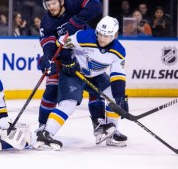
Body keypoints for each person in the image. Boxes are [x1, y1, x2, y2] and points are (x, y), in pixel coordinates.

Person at [36, 16, 129, 150]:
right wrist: (68, 61)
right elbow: (61, 43)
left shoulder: (119, 51)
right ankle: (46, 134)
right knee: (69, 103)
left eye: (106, 36)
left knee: (114, 95)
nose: (102, 39)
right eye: (100, 34)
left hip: (95, 76)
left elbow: (118, 75)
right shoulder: (84, 37)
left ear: (115, 35)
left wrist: (120, 97)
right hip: (73, 73)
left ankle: (112, 133)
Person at [37, 0, 105, 145]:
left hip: (84, 52)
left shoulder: (72, 1)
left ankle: (99, 123)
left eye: (53, 3)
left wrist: (76, 21)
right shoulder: (46, 22)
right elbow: (48, 45)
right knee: (52, 88)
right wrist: (48, 58)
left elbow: (96, 5)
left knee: (96, 83)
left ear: (61, 0)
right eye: (48, 4)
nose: (51, 7)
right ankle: (42, 126)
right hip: (63, 54)